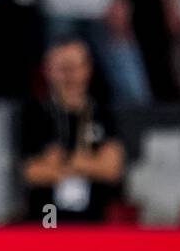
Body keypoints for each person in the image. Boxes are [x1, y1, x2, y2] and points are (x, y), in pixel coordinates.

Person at [21, 37, 124, 224]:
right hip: (44, 224)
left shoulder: (102, 113)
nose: (70, 76)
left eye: (75, 67)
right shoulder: (34, 114)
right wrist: (87, 163)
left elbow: (112, 169)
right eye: (63, 68)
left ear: (88, 69)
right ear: (47, 70)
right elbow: (29, 172)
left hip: (94, 225)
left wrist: (58, 164)